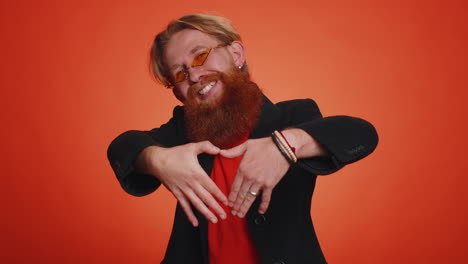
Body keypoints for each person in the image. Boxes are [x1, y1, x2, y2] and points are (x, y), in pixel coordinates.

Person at [107, 13, 378, 264]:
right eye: (179, 73)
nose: (193, 75)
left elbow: (361, 133)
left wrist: (284, 146)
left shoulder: (292, 115)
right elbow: (122, 147)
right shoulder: (182, 129)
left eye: (201, 55)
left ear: (236, 54)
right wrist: (157, 159)